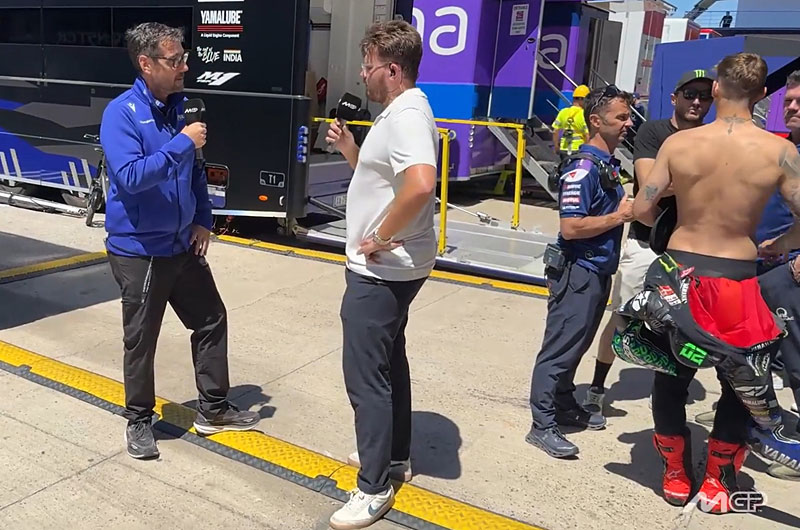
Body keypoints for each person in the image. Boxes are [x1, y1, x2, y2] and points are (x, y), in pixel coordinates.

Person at [628, 52, 800, 512]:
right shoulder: (780, 151)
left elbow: (642, 209)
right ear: (762, 94)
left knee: (670, 377)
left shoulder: (679, 144)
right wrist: (781, 243)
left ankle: (675, 472)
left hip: (679, 272)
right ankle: (717, 481)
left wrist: (670, 215)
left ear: (717, 88)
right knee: (739, 382)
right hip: (737, 278)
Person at [101, 23, 260, 460]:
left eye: (184, 58)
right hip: (140, 251)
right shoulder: (121, 114)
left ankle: (213, 408)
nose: (184, 67)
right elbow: (131, 177)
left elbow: (196, 171)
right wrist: (181, 144)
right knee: (142, 340)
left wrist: (203, 220)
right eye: (175, 61)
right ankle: (138, 420)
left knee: (211, 319)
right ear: (146, 63)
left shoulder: (181, 109)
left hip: (181, 245)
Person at [324, 20, 439, 529]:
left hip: (380, 271)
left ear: (392, 70)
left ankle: (373, 488)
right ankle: (393, 456)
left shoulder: (406, 115)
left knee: (365, 376)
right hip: (395, 268)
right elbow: (387, 182)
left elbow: (420, 185)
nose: (361, 74)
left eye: (368, 65)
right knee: (390, 360)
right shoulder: (401, 112)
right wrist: (352, 151)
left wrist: (381, 237)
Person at [583, 70, 714, 419]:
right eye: (690, 94)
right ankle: (597, 388)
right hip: (647, 243)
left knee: (682, 326)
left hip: (689, 249)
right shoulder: (654, 132)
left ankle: (668, 396)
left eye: (704, 96)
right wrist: (704, 177)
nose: (697, 101)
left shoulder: (711, 137)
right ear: (675, 98)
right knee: (623, 316)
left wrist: (671, 177)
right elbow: (648, 185)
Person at [695, 70, 800, 481]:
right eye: (789, 101)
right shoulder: (784, 147)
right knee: (749, 356)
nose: (791, 108)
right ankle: (747, 417)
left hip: (791, 275)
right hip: (760, 269)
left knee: (796, 364)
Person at [526, 85, 634, 458]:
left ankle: (562, 403)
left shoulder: (607, 164)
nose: (628, 123)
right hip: (577, 271)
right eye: (621, 117)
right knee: (559, 348)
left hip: (597, 269)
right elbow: (571, 227)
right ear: (596, 121)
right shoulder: (583, 169)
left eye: (628, 116)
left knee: (578, 344)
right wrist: (619, 216)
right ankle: (542, 425)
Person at [552, 84, 591, 160]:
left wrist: (556, 147)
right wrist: (587, 150)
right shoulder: (584, 114)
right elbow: (587, 135)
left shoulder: (563, 112)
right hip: (578, 150)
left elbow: (555, 131)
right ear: (583, 99)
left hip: (564, 149)